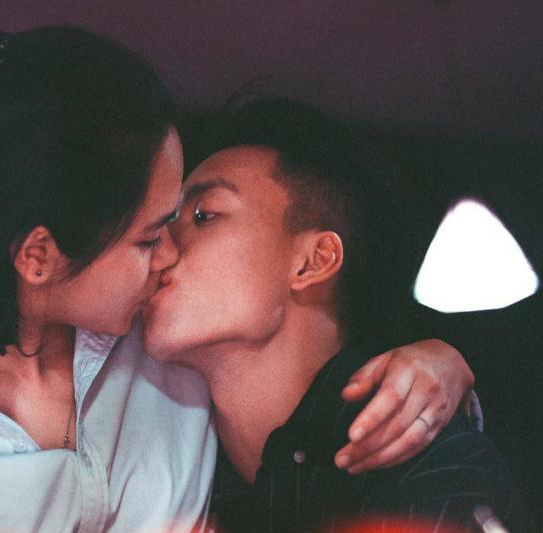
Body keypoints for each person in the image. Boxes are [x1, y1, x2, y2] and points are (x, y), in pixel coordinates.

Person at [0, 27, 474, 532]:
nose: (169, 254)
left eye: (191, 218)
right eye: (149, 236)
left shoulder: (172, 348)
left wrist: (445, 362)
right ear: (39, 257)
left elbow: (304, 387)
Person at [142, 98, 532, 531]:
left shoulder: (421, 461)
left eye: (203, 216)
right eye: (159, 224)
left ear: (314, 262)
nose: (158, 248)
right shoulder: (174, 467)